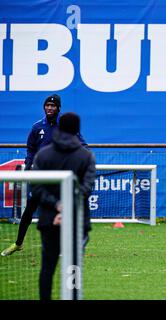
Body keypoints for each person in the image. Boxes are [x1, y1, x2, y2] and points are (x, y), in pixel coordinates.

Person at [1, 94, 87, 257]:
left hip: (60, 176)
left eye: (53, 106)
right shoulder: (37, 127)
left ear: (59, 108)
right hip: (40, 176)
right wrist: (28, 166)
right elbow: (31, 149)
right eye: (47, 105)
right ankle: (18, 243)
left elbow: (82, 145)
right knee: (30, 209)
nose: (50, 108)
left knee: (62, 210)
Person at [31, 112, 96, 300]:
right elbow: (86, 188)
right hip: (76, 220)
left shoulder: (43, 155)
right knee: (73, 267)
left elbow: (36, 187)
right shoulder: (86, 156)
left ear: (59, 127)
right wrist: (68, 209)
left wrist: (57, 206)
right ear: (77, 129)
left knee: (47, 267)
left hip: (49, 219)